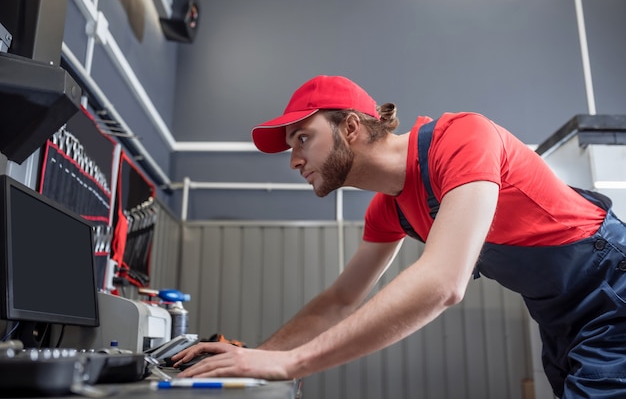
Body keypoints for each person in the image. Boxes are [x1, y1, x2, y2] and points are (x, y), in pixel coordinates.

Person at [172, 75, 626, 398]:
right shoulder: (389, 208)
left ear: (350, 127)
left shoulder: (462, 138)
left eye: (302, 139)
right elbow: (339, 300)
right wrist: (255, 358)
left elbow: (444, 282)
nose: (293, 159)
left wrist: (292, 363)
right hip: (559, 319)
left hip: (611, 292)